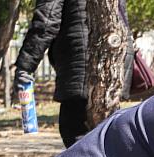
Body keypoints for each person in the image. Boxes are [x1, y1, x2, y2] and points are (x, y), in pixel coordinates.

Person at [14, 0, 134, 147]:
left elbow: (46, 21)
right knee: (106, 135)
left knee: (77, 136)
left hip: (81, 59)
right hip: (116, 57)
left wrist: (25, 65)